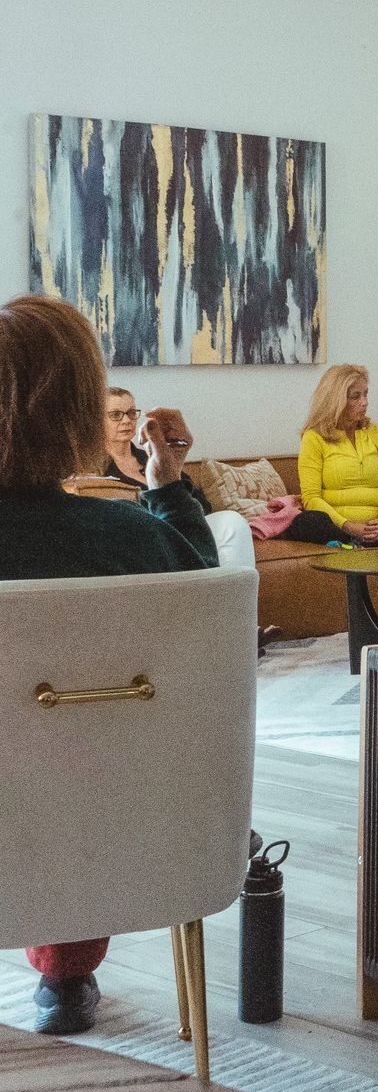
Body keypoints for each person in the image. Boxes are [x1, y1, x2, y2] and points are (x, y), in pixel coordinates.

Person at [0, 294, 218, 1037]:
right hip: (111, 829)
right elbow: (206, 593)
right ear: (77, 413)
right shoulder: (129, 539)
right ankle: (65, 973)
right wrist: (166, 485)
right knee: (77, 752)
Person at [102, 385, 257, 573]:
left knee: (231, 522)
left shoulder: (155, 458)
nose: (126, 420)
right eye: (116, 415)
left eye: (131, 413)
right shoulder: (92, 469)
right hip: (140, 539)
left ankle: (232, 598)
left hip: (180, 534)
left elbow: (203, 506)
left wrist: (173, 473)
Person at [284, 364, 378, 546]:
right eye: (355, 397)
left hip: (377, 526)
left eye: (366, 394)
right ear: (335, 400)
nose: (364, 402)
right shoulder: (314, 437)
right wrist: (349, 526)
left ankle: (373, 539)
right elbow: (311, 498)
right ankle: (353, 540)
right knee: (307, 522)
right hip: (338, 527)